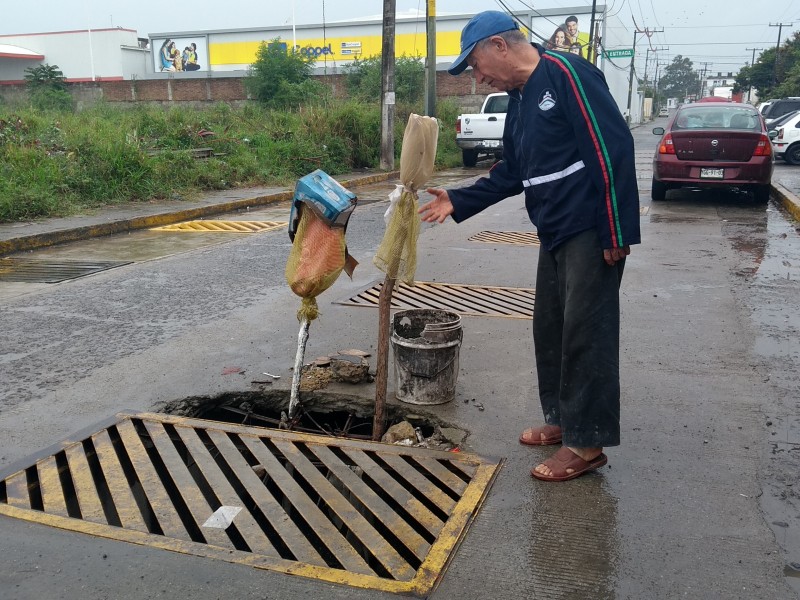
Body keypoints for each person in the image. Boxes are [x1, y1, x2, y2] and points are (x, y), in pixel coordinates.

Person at [419, 11, 640, 482]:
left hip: (589, 228)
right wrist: (457, 198)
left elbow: (611, 148)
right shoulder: (519, 101)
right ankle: (563, 420)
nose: (477, 78)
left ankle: (587, 443)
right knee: (551, 328)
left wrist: (616, 230)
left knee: (586, 333)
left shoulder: (566, 74)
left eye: (475, 65)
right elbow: (512, 172)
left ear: (500, 45)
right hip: (555, 230)